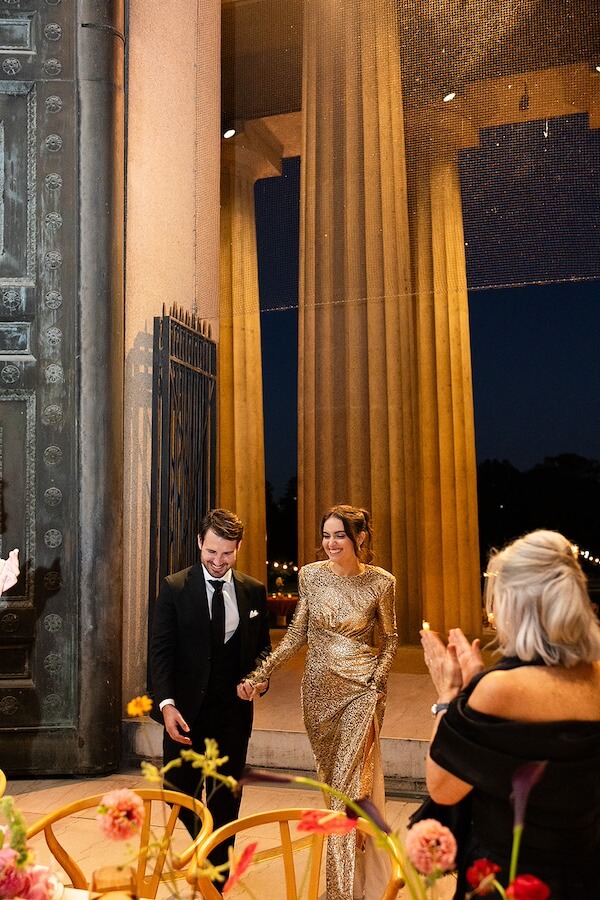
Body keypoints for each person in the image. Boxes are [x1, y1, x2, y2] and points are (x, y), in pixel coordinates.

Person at [420, 529, 600, 899]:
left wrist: (450, 693)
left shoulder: (499, 689)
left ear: (519, 605)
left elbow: (442, 788)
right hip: (584, 871)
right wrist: (477, 684)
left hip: (511, 879)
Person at [241, 504, 398, 900]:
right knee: (335, 791)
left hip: (361, 692)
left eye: (339, 535)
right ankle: (359, 880)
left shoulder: (381, 582)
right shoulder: (309, 576)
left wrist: (377, 682)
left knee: (346, 792)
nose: (331, 543)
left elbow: (391, 638)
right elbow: (296, 635)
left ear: (359, 538)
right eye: (326, 535)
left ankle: (339, 892)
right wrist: (259, 674)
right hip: (317, 693)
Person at [149, 508, 271, 865]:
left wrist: (259, 679)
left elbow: (264, 650)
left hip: (232, 718)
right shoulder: (174, 588)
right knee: (177, 793)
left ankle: (216, 878)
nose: (218, 561)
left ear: (238, 547)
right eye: (212, 551)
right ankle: (204, 848)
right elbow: (160, 653)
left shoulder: (253, 591)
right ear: (200, 542)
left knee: (225, 804)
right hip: (185, 715)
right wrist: (167, 705)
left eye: (227, 553)